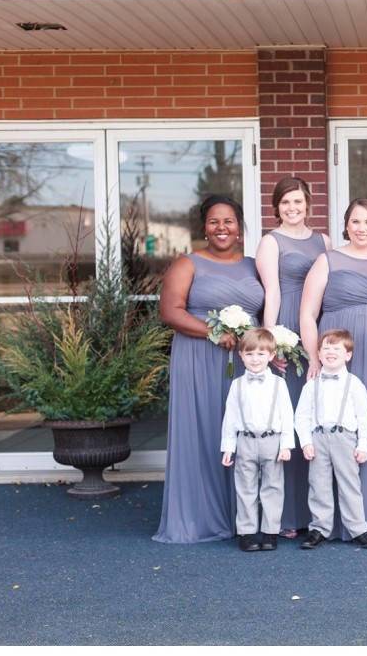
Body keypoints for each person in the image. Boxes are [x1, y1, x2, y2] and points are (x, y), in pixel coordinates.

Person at [154, 195, 265, 544]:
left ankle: (246, 517)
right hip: (199, 357)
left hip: (247, 361)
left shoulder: (253, 265)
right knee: (204, 429)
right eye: (214, 222)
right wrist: (213, 333)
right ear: (204, 227)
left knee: (246, 433)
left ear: (240, 228)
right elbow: (171, 311)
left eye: (229, 221)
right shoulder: (187, 263)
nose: (222, 228)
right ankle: (199, 516)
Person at [298, 198, 367, 540]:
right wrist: (314, 356)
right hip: (335, 352)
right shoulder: (327, 260)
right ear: (345, 225)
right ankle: (325, 525)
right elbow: (307, 313)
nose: (361, 228)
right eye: (355, 222)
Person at [255, 177, 331, 538]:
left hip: (317, 326)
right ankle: (286, 515)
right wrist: (272, 343)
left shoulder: (324, 241)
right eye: (285, 202)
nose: (292, 208)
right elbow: (271, 293)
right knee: (286, 419)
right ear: (276, 207)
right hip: (287, 327)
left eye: (298, 201)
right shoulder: (270, 242)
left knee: (313, 418)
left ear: (309, 202)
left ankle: (315, 513)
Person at [294, 329, 367, 550]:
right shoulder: (311, 385)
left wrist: (363, 445)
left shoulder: (354, 383)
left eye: (336, 348)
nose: (331, 352)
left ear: (348, 355)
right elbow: (301, 416)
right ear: (319, 355)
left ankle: (358, 528)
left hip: (345, 438)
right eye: (326, 348)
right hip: (318, 437)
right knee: (318, 484)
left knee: (350, 484)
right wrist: (306, 442)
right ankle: (319, 529)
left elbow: (364, 417)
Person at [220, 328, 295, 552]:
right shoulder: (237, 385)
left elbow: (287, 415)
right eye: (250, 354)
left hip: (272, 441)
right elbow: (230, 417)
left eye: (261, 354)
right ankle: (247, 532)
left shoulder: (279, 384)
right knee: (245, 487)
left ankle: (271, 532)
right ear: (241, 355)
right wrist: (228, 447)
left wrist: (287, 445)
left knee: (273, 486)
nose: (255, 359)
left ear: (271, 356)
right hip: (245, 441)